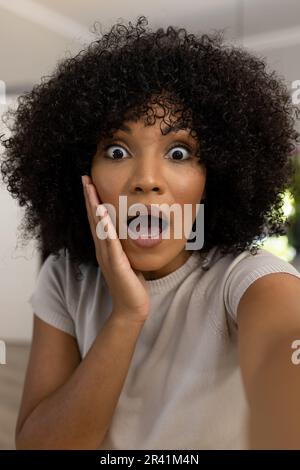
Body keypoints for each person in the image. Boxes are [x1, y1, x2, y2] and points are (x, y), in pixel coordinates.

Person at [1, 15, 300, 450]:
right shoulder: (66, 278)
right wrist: (126, 315)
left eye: (178, 152)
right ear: (84, 175)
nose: (146, 179)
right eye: (117, 150)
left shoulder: (248, 279)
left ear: (213, 178)